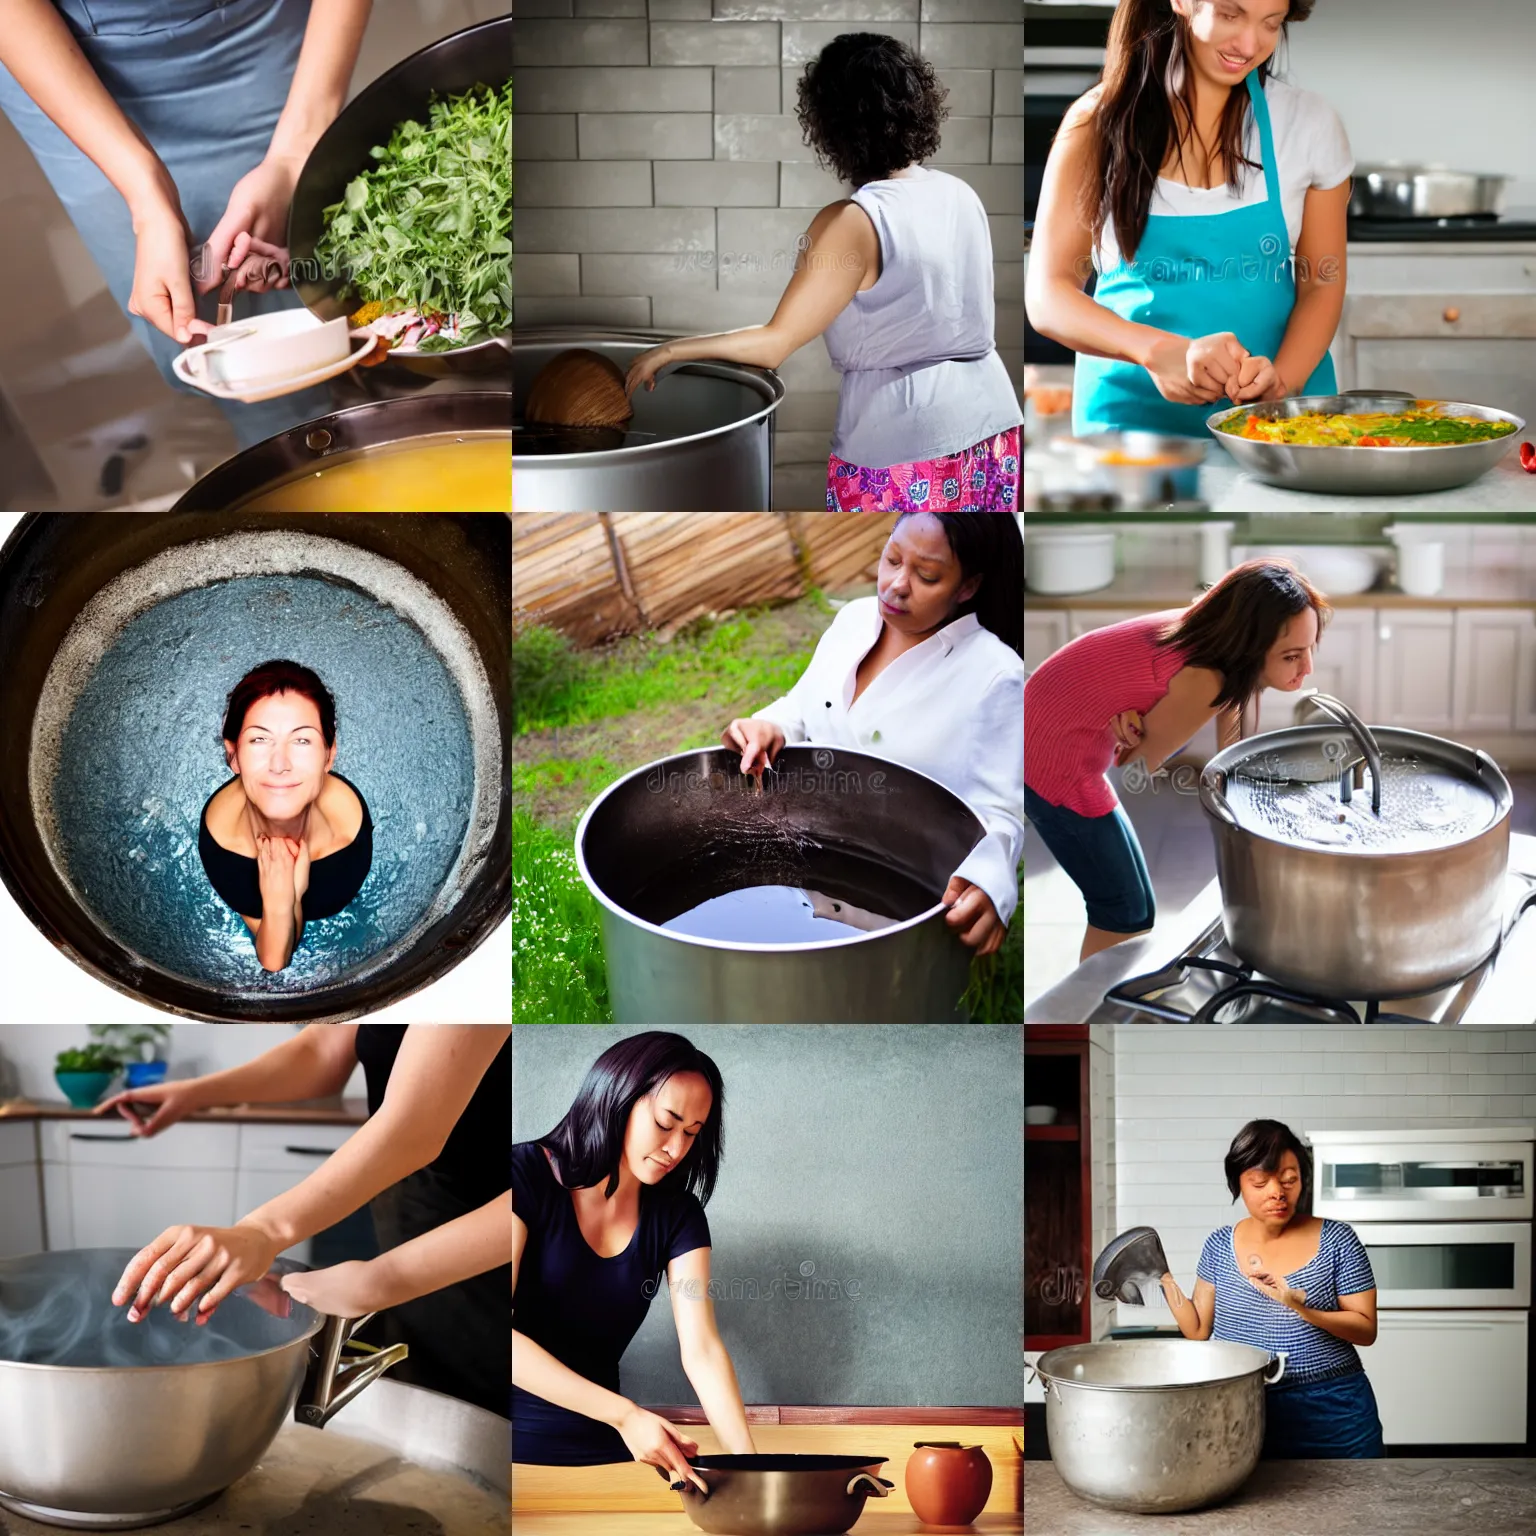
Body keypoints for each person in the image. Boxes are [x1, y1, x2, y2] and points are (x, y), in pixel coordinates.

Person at [622, 34, 1021, 513]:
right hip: (996, 430)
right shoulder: (961, 194)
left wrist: (670, 351)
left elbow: (774, 345)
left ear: (832, 126)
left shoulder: (851, 222)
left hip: (906, 445)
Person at [0, 0, 373, 450]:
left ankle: (347, 422)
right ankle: (296, 454)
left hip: (254, 32)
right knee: (206, 331)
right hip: (60, 61)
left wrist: (294, 155)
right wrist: (147, 199)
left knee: (310, 292)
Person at [94, 1022, 511, 1419]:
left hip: (505, 1242)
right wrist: (198, 1093)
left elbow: (415, 1128)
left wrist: (264, 1232)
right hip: (418, 1223)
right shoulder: (391, 966)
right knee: (435, 1393)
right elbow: (320, 1052)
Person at [1025, 0, 1353, 438]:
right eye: (1230, 15)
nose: (1250, 44)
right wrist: (1158, 351)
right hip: (1130, 430)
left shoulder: (1309, 124)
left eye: (1270, 23)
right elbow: (1049, 294)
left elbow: (1322, 284)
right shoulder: (1095, 125)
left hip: (1279, 425)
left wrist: (1282, 383)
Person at [722, 512, 1023, 955]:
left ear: (967, 587)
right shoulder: (854, 620)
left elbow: (1003, 813)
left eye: (927, 575)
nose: (896, 585)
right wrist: (769, 725)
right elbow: (802, 706)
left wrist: (991, 885)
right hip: (811, 875)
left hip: (905, 902)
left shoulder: (995, 675)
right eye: (892, 559)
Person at [1024, 560, 1329, 961]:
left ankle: (1104, 1002)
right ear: (1250, 649)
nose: (1308, 667)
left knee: (1134, 908)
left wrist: (1141, 718)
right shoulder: (1205, 678)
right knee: (1123, 911)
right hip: (1051, 761)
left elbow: (1229, 742)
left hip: (1044, 733)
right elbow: (1134, 768)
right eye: (1291, 656)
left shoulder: (1213, 635)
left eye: (1310, 648)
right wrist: (1146, 729)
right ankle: (1093, 1014)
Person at [514, 1033, 756, 1488]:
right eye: (667, 1122)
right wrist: (625, 1416)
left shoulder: (678, 1215)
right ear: (617, 1099)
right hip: (507, 1449)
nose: (677, 1149)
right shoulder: (523, 1175)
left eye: (692, 1133)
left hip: (610, 1457)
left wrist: (755, 1469)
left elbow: (701, 1348)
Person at [1160, 1119, 1384, 1459]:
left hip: (1336, 1410)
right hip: (1243, 1406)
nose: (1277, 1192)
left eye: (1289, 1180)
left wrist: (1299, 1306)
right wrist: (1162, 1277)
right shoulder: (1219, 1245)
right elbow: (1197, 1330)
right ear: (1239, 1183)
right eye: (1261, 1182)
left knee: (1355, 1504)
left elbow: (1366, 1330)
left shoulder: (1339, 1241)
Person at [198, 659, 372, 972]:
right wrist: (281, 900)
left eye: (302, 740)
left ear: (329, 754)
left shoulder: (350, 830)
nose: (280, 764)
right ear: (233, 754)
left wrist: (293, 894)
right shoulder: (224, 851)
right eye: (259, 739)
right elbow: (275, 960)